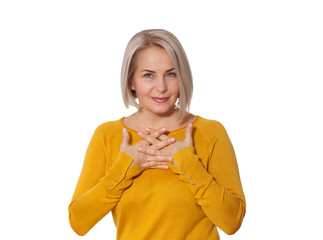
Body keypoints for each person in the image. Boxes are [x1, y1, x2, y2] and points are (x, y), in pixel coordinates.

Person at [68, 29, 246, 240]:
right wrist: (125, 167)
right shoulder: (108, 135)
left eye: (171, 74)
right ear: (131, 82)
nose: (161, 87)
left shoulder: (209, 132)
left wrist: (188, 163)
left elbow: (232, 221)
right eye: (148, 75)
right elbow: (78, 222)